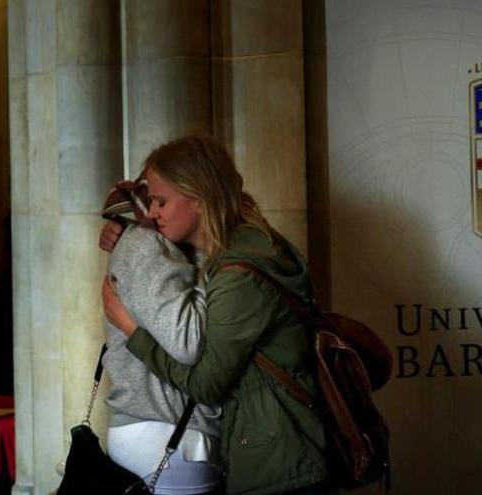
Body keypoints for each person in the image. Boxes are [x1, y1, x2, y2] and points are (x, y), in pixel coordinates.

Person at [101, 136, 331, 495]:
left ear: (200, 196)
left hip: (277, 457)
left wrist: (133, 332)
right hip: (274, 445)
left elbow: (207, 384)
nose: (153, 212)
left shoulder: (239, 271)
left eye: (160, 201)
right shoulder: (245, 247)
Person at [100, 179, 223, 494]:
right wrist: (210, 258)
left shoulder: (149, 242)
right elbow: (187, 342)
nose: (154, 212)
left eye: (161, 202)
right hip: (166, 429)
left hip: (159, 427)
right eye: (153, 201)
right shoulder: (146, 244)